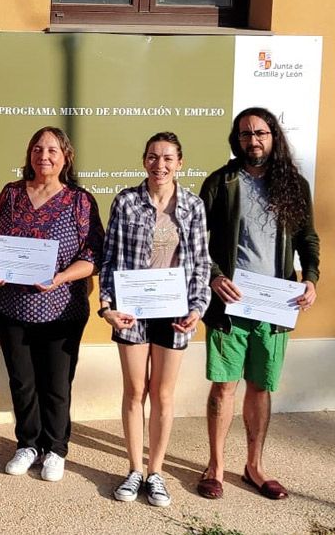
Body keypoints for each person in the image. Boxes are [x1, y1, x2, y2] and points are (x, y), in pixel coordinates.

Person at [197, 107, 320, 501]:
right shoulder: (221, 182)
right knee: (223, 388)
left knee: (261, 388)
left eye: (261, 133)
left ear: (273, 136)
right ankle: (215, 467)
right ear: (237, 139)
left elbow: (308, 240)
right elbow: (198, 241)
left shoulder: (295, 186)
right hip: (230, 305)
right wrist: (216, 276)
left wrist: (312, 280)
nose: (254, 140)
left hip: (275, 305)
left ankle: (254, 466)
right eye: (246, 133)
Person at [0, 126, 103, 482]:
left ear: (65, 157)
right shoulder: (12, 194)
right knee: (22, 380)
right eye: (37, 149)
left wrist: (61, 278)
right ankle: (28, 444)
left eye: (51, 150)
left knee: (56, 383)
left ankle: (56, 448)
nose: (43, 156)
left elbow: (94, 254)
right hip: (11, 306)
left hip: (61, 309)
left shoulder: (80, 201)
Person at [98, 132, 211, 507]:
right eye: (152, 157)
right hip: (132, 311)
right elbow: (110, 257)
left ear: (180, 163)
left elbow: (200, 265)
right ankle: (133, 469)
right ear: (143, 160)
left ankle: (156, 472)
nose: (159, 165)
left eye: (167, 158)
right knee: (135, 391)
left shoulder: (193, 206)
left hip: (175, 311)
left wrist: (197, 309)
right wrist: (107, 305)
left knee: (163, 394)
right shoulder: (127, 202)